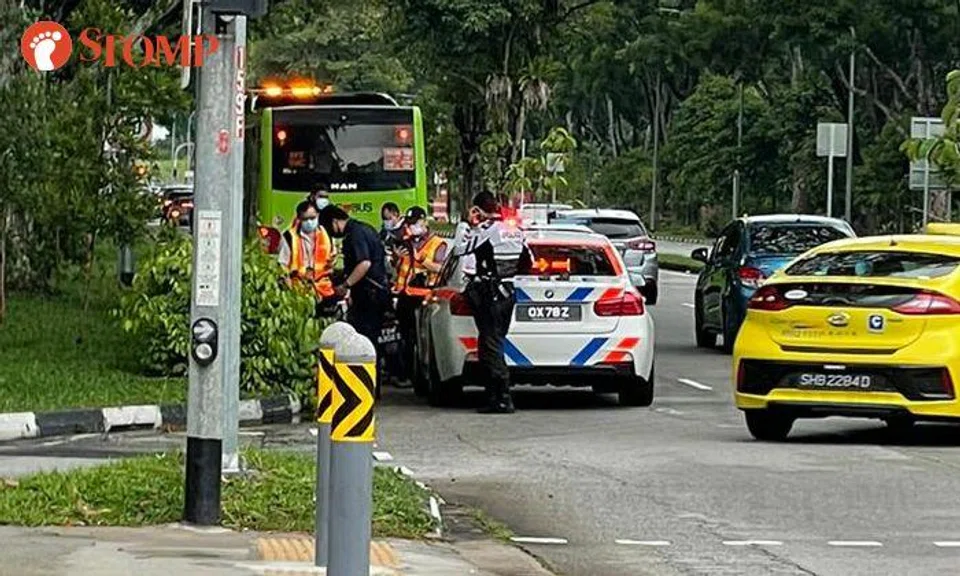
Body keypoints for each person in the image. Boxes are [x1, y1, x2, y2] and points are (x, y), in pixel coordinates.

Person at [454, 191, 531, 414]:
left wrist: (466, 224)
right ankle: (494, 395)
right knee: (493, 341)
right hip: (508, 292)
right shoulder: (515, 230)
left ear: (477, 209)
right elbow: (529, 260)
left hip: (490, 294)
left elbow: (460, 249)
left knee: (491, 344)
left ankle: (502, 397)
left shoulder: (487, 231)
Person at [319, 205, 391, 389]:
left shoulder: (355, 234)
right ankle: (370, 385)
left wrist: (345, 285)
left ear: (335, 221)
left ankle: (365, 385)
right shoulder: (365, 228)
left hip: (369, 295)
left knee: (364, 339)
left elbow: (364, 263)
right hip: (375, 292)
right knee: (371, 339)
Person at [393, 206, 448, 381]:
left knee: (420, 340)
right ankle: (405, 374)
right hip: (405, 296)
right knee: (405, 338)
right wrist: (396, 257)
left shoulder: (437, 243)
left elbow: (441, 269)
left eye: (415, 223)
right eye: (409, 224)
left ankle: (419, 375)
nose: (411, 227)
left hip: (424, 297)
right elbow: (401, 268)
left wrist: (422, 259)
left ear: (424, 222)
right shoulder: (406, 242)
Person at [278, 201, 336, 312]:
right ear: (299, 218)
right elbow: (282, 265)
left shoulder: (327, 234)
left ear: (318, 215)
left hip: (324, 291)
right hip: (299, 292)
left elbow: (333, 258)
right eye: (305, 219)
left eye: (312, 217)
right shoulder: (290, 237)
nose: (309, 222)